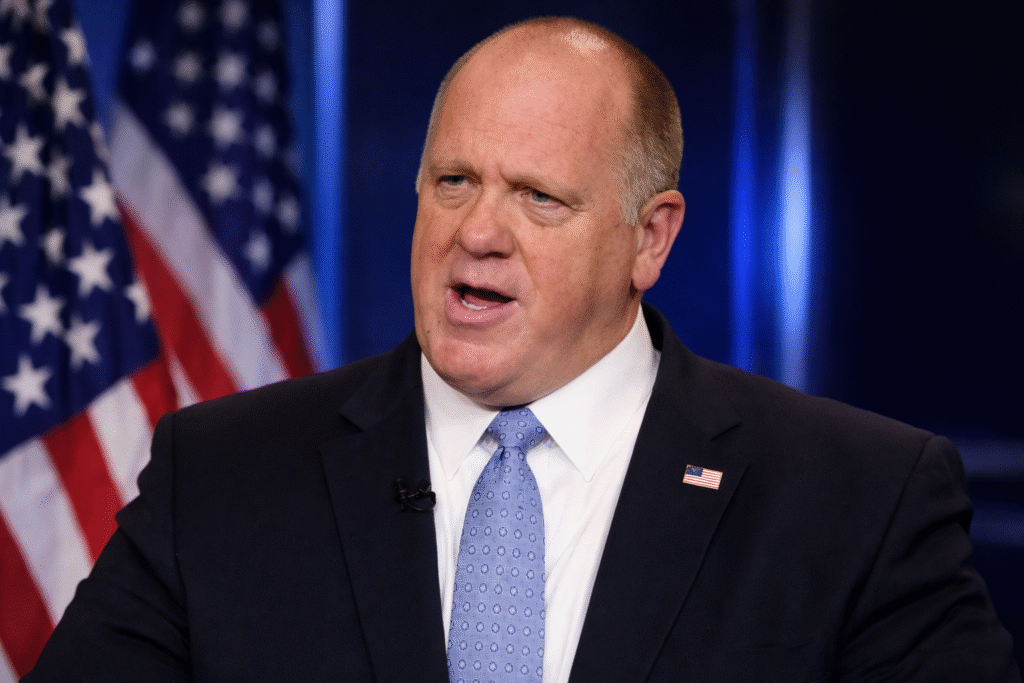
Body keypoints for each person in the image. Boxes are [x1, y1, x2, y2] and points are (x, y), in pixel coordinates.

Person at [27, 16, 1018, 682]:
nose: (479, 231)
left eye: (539, 197)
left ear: (650, 237)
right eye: (454, 181)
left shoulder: (856, 497)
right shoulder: (222, 471)